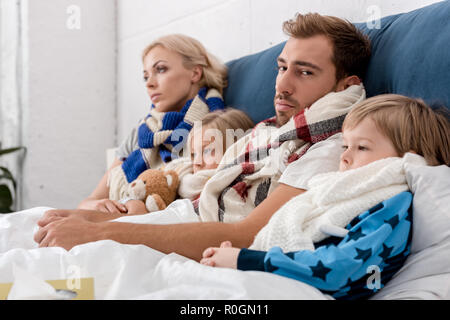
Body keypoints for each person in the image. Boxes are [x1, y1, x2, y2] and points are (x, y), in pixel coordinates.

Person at [34, 13, 372, 261]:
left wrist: (99, 232)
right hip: (173, 217)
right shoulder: (267, 132)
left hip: (192, 239)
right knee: (35, 226)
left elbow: (245, 234)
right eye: (282, 67)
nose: (282, 85)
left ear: (346, 86)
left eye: (304, 72)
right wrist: (89, 215)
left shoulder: (330, 148)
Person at [199, 94, 450, 299]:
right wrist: (245, 254)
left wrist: (247, 260)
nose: (345, 156)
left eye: (361, 147)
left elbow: (339, 269)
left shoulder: (393, 203)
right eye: (345, 146)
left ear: (408, 157)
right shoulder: (339, 195)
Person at [77, 34, 227, 214]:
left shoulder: (218, 126)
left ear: (195, 73)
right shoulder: (142, 131)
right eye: (145, 76)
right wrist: (97, 206)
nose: (149, 83)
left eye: (161, 69)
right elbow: (89, 201)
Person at [125, 107, 255, 213]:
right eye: (193, 154)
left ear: (234, 150)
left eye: (207, 151)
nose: (196, 162)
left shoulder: (230, 192)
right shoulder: (180, 182)